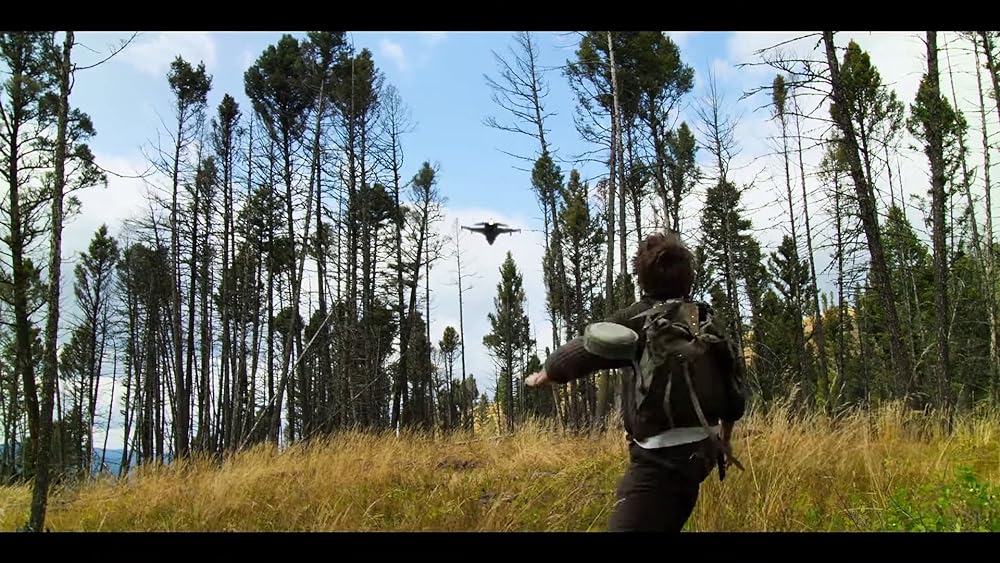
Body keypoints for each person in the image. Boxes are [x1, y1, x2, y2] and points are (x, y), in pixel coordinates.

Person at [525, 231, 747, 532]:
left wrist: (548, 371)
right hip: (702, 454)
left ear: (642, 279)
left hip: (658, 462)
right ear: (688, 279)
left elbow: (588, 349)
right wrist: (725, 441)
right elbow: (734, 396)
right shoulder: (706, 319)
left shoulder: (638, 319)